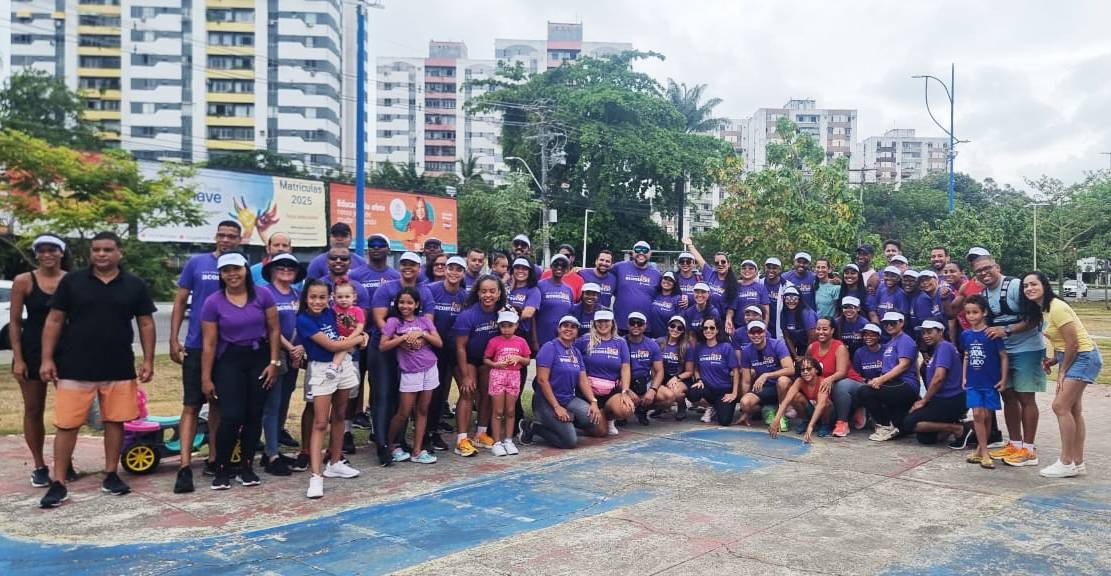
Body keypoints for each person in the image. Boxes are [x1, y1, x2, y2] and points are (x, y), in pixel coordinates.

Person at [38, 232, 156, 508]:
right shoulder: (73, 282)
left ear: (119, 253)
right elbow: (54, 320)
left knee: (114, 422)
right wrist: (47, 359)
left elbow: (146, 324)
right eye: (96, 250)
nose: (101, 254)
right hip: (74, 367)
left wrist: (149, 360)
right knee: (66, 425)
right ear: (90, 253)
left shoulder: (134, 285)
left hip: (118, 366)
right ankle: (58, 482)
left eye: (107, 249)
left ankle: (111, 473)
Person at [199, 252, 281, 490]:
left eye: (236, 269)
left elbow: (274, 329)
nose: (232, 274)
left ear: (246, 269)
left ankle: (246, 466)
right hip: (230, 360)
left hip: (259, 357)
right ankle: (222, 467)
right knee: (232, 415)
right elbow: (209, 343)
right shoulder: (214, 301)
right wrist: (206, 378)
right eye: (226, 270)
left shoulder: (262, 295)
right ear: (221, 274)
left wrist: (274, 362)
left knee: (254, 414)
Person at [169, 221, 240, 483]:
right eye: (222, 235)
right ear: (215, 237)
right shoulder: (197, 263)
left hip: (227, 348)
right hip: (197, 345)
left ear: (239, 240)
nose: (226, 239)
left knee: (218, 407)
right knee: (191, 405)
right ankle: (184, 465)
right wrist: (173, 338)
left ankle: (214, 459)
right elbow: (180, 300)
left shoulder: (239, 267)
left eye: (231, 236)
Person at [1021, 272, 1102, 478]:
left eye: (1033, 284)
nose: (1029, 288)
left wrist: (1063, 371)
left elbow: (1074, 343)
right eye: (1025, 286)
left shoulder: (1057, 307)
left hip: (1084, 357)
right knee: (1073, 410)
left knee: (1060, 406)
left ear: (1044, 285)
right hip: (1077, 357)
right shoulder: (1045, 309)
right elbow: (1063, 344)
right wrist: (1053, 360)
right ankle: (1077, 462)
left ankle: (1066, 462)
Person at [974, 256, 1045, 467]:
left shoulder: (1015, 286)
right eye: (979, 271)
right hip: (1003, 352)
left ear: (997, 267)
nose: (984, 273)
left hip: (1027, 349)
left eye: (988, 268)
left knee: (1026, 398)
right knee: (1008, 396)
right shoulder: (983, 294)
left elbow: (1035, 318)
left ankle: (1029, 449)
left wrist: (1006, 330)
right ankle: (1014, 443)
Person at [10, 234, 69, 488]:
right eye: (42, 251)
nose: (47, 255)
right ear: (36, 254)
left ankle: (64, 462)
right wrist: (18, 358)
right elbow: (14, 322)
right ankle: (39, 465)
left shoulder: (71, 280)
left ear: (61, 253)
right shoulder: (24, 281)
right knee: (34, 409)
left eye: (52, 250)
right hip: (32, 349)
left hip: (66, 350)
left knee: (68, 410)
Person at [297, 279, 363, 499]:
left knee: (340, 415)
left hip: (342, 365)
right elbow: (332, 345)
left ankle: (335, 462)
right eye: (313, 297)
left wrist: (360, 335)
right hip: (322, 370)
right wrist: (359, 338)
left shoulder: (331, 313)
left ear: (329, 298)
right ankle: (316, 476)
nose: (318, 301)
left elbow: (348, 331)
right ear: (306, 297)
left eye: (322, 297)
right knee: (320, 422)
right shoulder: (304, 320)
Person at [369, 252, 435, 463]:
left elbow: (428, 322)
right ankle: (382, 444)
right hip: (385, 346)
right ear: (399, 266)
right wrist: (401, 337)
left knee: (406, 398)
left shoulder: (424, 291)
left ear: (419, 267)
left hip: (414, 350)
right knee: (384, 395)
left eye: (413, 264)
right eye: (404, 264)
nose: (408, 268)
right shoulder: (385, 288)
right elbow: (379, 318)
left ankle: (401, 441)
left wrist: (419, 340)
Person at [517, 315, 606, 448]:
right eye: (565, 326)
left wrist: (593, 402)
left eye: (573, 327)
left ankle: (564, 423)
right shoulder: (549, 347)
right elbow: (542, 380)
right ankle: (532, 427)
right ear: (558, 329)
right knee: (569, 441)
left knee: (593, 419)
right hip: (546, 402)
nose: (569, 329)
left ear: (577, 332)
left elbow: (583, 380)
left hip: (568, 399)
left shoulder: (576, 352)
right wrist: (557, 407)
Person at [381, 287, 442, 465]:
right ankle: (389, 445)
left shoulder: (424, 321)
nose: (405, 306)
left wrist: (422, 334)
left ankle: (417, 450)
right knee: (404, 412)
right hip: (410, 371)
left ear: (417, 305)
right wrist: (402, 338)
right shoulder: (393, 322)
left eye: (409, 302)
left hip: (429, 368)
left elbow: (438, 342)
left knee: (422, 410)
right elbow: (383, 346)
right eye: (402, 302)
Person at [259, 254, 306, 477]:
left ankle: (274, 447)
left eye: (291, 267)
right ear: (272, 269)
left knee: (285, 401)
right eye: (281, 266)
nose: (286, 270)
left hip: (295, 354)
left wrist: (300, 349)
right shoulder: (266, 293)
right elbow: (269, 328)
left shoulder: (298, 294)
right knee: (272, 403)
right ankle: (271, 454)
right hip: (275, 352)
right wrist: (290, 348)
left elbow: (306, 322)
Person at [348, 233, 399, 430]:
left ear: (388, 249)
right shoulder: (356, 275)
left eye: (380, 245)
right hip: (357, 337)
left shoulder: (395, 276)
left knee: (378, 381)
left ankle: (373, 414)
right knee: (355, 380)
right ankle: (355, 416)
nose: (376, 248)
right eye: (372, 245)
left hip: (381, 337)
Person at [452, 275, 506, 457]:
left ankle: (481, 433)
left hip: (486, 360)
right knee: (468, 392)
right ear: (478, 293)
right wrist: (466, 375)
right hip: (467, 358)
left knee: (488, 393)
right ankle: (461, 440)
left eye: (492, 291)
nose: (488, 295)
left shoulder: (502, 313)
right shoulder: (468, 315)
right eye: (483, 291)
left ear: (499, 293)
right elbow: (459, 347)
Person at [425, 255, 468, 452]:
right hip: (432, 348)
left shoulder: (464, 296)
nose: (454, 272)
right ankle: (428, 432)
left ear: (463, 273)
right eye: (451, 268)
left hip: (455, 348)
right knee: (433, 392)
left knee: (458, 390)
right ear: (445, 269)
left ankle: (455, 433)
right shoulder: (431, 290)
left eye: (458, 269)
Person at [959, 294, 1008, 468]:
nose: (971, 316)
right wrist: (964, 376)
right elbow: (966, 356)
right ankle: (985, 454)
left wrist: (1003, 378)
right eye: (968, 313)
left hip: (990, 382)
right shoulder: (965, 335)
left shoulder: (992, 334)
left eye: (975, 312)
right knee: (978, 415)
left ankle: (981, 449)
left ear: (984, 312)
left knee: (987, 416)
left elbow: (1003, 356)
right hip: (973, 381)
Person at [901, 320, 967, 445]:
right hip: (943, 399)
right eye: (923, 333)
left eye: (929, 332)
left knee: (909, 423)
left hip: (951, 400)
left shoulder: (944, 347)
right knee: (925, 438)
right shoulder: (938, 349)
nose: (925, 336)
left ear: (941, 332)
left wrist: (924, 400)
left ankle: (956, 429)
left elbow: (939, 378)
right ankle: (954, 425)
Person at [856, 312, 919, 442]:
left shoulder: (905, 340)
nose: (889, 326)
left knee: (865, 391)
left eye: (893, 323)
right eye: (885, 323)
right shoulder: (891, 342)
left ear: (901, 322)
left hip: (904, 384)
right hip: (894, 384)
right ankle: (892, 425)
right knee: (901, 427)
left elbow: (904, 365)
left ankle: (884, 425)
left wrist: (880, 380)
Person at [575, 309, 635, 435]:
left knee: (626, 409)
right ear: (594, 323)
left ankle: (608, 418)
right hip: (588, 391)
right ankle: (581, 421)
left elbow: (625, 368)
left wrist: (625, 391)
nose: (603, 324)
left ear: (612, 323)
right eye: (599, 321)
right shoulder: (584, 340)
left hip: (610, 391)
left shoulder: (620, 342)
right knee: (600, 432)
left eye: (606, 321)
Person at [483, 310, 531, 456]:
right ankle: (497, 442)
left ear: (516, 325)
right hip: (498, 375)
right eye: (503, 326)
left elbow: (527, 360)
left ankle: (508, 440)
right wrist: (496, 364)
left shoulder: (521, 341)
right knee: (498, 411)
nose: (506, 329)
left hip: (514, 375)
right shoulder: (494, 341)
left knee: (510, 411)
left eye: (510, 325)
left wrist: (519, 359)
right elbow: (486, 359)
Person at [807, 317, 865, 438]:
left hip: (851, 383)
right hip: (827, 386)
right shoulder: (812, 347)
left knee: (840, 385)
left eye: (825, 329)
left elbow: (842, 372)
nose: (821, 332)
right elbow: (806, 367)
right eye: (818, 329)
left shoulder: (840, 347)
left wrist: (828, 379)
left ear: (832, 330)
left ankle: (843, 423)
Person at [737, 320, 795, 430]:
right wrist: (745, 412)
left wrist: (767, 375)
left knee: (782, 381)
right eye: (752, 332)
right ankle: (767, 409)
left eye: (759, 332)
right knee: (745, 403)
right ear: (748, 334)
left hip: (781, 386)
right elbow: (746, 381)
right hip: (763, 388)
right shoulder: (746, 351)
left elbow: (790, 369)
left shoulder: (777, 344)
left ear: (765, 332)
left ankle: (781, 415)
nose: (756, 335)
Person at [687, 317, 740, 426]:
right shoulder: (699, 347)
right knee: (692, 393)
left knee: (724, 421)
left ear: (717, 330)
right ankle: (709, 406)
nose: (708, 330)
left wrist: (734, 393)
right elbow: (696, 368)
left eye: (712, 328)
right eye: (705, 328)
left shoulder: (726, 347)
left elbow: (736, 371)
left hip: (724, 390)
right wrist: (699, 379)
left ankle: (716, 407)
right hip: (708, 389)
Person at [767, 356, 829, 442]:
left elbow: (821, 405)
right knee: (796, 397)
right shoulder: (799, 381)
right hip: (812, 410)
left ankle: (825, 424)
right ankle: (805, 420)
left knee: (826, 403)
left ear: (816, 370)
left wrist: (810, 426)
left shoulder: (823, 381)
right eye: (803, 370)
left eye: (809, 369)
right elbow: (787, 400)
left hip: (825, 414)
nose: (805, 372)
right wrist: (777, 419)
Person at [624, 311, 667, 425]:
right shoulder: (620, 343)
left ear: (645, 326)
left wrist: (652, 390)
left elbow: (659, 371)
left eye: (640, 323)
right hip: (624, 383)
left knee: (668, 396)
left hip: (644, 382)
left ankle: (642, 409)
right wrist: (627, 390)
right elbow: (614, 373)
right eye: (633, 323)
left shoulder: (652, 344)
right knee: (622, 411)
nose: (636, 326)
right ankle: (621, 413)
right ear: (627, 325)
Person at [612, 241, 662, 333]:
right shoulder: (619, 267)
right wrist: (580, 269)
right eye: (638, 249)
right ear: (632, 252)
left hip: (644, 327)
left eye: (645, 250)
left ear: (650, 253)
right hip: (620, 325)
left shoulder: (657, 275)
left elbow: (668, 291)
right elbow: (602, 270)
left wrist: (682, 296)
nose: (641, 253)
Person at [683, 237, 738, 312]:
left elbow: (731, 306)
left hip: (721, 320)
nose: (720, 264)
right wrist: (690, 245)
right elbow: (700, 260)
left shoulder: (733, 283)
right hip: (706, 318)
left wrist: (729, 318)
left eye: (723, 262)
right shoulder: (711, 274)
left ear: (728, 264)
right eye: (717, 263)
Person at [535, 254, 577, 350]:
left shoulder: (569, 290)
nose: (559, 267)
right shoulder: (540, 285)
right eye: (556, 264)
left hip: (563, 339)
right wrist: (534, 340)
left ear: (567, 269)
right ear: (551, 266)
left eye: (563, 265)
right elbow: (533, 315)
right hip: (542, 338)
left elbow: (569, 315)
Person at [657, 315, 694, 420]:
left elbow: (689, 371)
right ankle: (660, 407)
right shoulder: (659, 342)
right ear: (668, 327)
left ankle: (681, 406)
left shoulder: (686, 346)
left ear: (683, 331)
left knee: (676, 391)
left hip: (681, 378)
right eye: (673, 326)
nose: (675, 329)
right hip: (662, 377)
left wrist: (677, 378)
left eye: (679, 328)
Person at [327, 282, 365, 379]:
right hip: (337, 340)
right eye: (340, 297)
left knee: (353, 366)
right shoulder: (333, 310)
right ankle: (335, 368)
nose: (343, 300)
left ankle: (352, 382)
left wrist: (349, 339)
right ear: (334, 297)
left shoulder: (357, 310)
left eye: (347, 297)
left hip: (352, 342)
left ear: (354, 296)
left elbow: (360, 327)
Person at [725, 259, 769, 335]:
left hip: (757, 328)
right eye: (744, 268)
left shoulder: (761, 288)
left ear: (756, 272)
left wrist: (764, 327)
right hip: (739, 327)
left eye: (751, 268)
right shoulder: (735, 287)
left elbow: (766, 311)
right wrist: (729, 320)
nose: (747, 270)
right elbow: (731, 309)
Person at [507, 257, 541, 353]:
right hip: (500, 333)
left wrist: (505, 315)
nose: (520, 271)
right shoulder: (506, 287)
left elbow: (528, 313)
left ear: (530, 271)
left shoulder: (533, 290)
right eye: (517, 268)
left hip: (520, 334)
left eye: (524, 268)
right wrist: (509, 288)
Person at [777, 286, 817, 360]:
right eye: (788, 298)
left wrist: (805, 357)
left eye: (794, 298)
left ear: (799, 299)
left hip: (811, 344)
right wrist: (795, 356)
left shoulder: (807, 313)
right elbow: (787, 337)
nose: (791, 301)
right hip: (795, 344)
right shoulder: (784, 313)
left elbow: (812, 337)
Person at [649, 272, 684, 338]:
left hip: (666, 339)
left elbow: (679, 322)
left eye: (670, 280)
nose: (667, 281)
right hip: (649, 336)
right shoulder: (655, 294)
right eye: (665, 278)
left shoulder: (678, 299)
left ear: (674, 284)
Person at [762, 257, 791, 336]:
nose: (771, 270)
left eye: (774, 268)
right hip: (762, 325)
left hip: (780, 326)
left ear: (780, 270)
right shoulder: (759, 283)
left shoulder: (788, 286)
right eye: (768, 267)